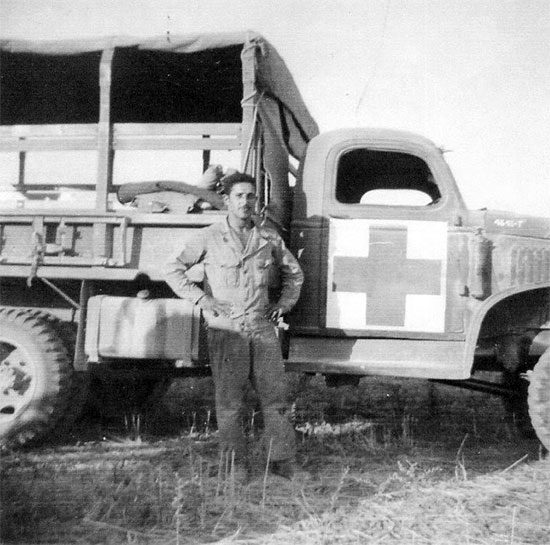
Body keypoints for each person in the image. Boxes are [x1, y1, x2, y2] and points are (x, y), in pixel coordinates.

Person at [165, 171, 304, 479]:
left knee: (275, 398)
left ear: (257, 201)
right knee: (229, 402)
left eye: (251, 196)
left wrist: (283, 305)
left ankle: (282, 461)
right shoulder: (209, 236)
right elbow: (173, 269)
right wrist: (204, 301)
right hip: (227, 330)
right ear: (227, 201)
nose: (246, 202)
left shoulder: (268, 238)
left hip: (261, 329)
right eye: (239, 196)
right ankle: (235, 464)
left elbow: (295, 275)